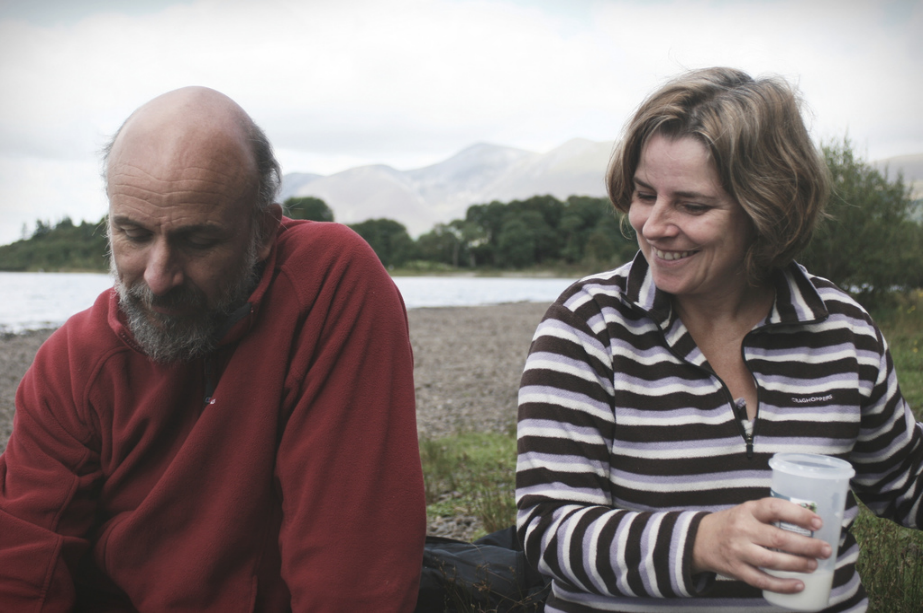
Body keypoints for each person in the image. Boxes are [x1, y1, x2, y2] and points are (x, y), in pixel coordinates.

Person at [0, 87, 426, 611]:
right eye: (132, 233)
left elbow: (352, 571)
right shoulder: (72, 363)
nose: (157, 279)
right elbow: (25, 564)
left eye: (197, 242)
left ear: (264, 231)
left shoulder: (328, 286)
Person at [515, 67, 923, 612]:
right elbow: (548, 529)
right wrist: (705, 542)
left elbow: (906, 482)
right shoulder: (588, 326)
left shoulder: (842, 329)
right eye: (643, 195)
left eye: (692, 205)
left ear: (767, 210)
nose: (655, 225)